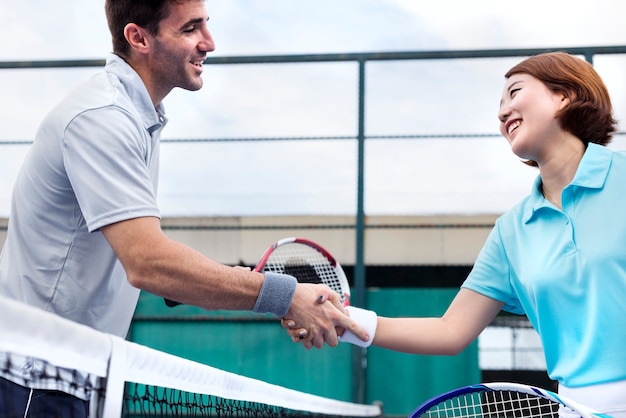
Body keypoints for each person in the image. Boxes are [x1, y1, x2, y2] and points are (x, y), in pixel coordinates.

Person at [0, 0, 368, 416]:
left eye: (206, 25)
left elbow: (144, 258)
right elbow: (149, 263)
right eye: (191, 28)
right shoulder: (102, 119)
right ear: (139, 37)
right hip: (34, 378)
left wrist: (234, 282)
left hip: (78, 375)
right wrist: (284, 297)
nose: (209, 43)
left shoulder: (138, 116)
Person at [285, 51, 626, 416]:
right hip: (577, 408)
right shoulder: (511, 232)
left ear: (564, 95)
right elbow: (450, 331)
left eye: (515, 92)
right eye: (499, 104)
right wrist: (348, 322)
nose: (501, 113)